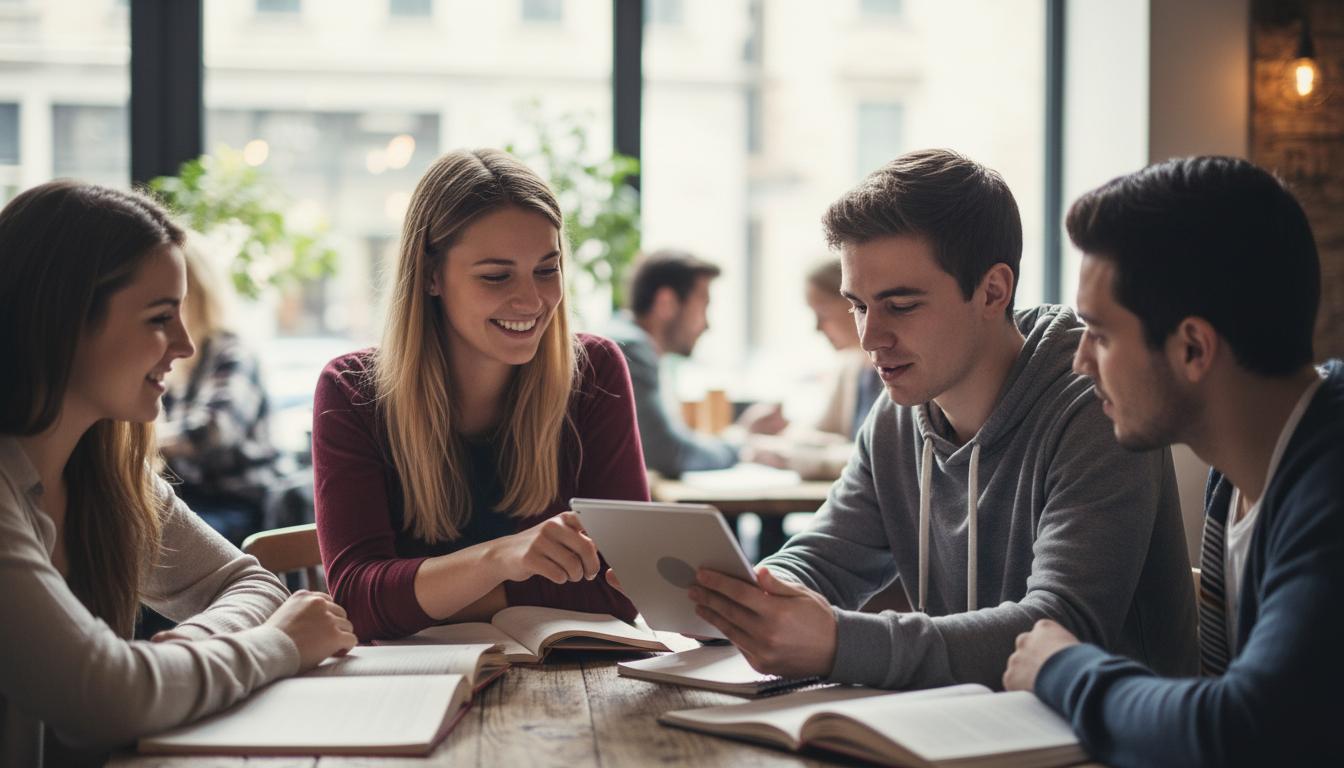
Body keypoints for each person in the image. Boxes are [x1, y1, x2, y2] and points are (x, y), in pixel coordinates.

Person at [686, 149, 1198, 690]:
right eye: (858, 305)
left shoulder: (1097, 407)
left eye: (901, 306)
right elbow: (827, 557)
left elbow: (1060, 626)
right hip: (955, 721)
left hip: (1103, 729)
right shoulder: (897, 414)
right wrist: (743, 601)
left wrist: (838, 642)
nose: (869, 338)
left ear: (993, 291)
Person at [0, 181, 355, 768]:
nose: (186, 345)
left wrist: (193, 643)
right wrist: (279, 645)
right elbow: (105, 697)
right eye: (161, 318)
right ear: (62, 322)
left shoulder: (112, 477)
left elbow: (252, 584)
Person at [1003, 156, 1343, 766]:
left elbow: (1240, 731)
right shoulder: (1237, 475)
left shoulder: (1330, 488)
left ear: (1192, 348)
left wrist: (1062, 667)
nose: (1081, 362)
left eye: (1100, 335)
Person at [313, 149, 644, 642]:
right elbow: (357, 602)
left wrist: (426, 597)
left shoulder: (594, 372)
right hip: (411, 681)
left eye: (547, 269)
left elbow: (627, 584)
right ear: (430, 275)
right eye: (496, 276)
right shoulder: (352, 390)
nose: (532, 301)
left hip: (571, 674)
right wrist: (501, 558)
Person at [605, 249, 787, 477]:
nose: (707, 325)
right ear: (666, 303)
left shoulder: (631, 343)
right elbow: (667, 452)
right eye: (703, 306)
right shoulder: (630, 349)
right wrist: (740, 449)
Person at [158, 233, 282, 544]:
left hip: (239, 502)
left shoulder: (231, 351)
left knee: (161, 544)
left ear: (197, 293)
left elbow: (215, 430)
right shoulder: (178, 360)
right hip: (192, 497)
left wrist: (151, 441)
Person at [746, 258, 884, 479]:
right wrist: (777, 433)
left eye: (822, 314)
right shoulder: (850, 368)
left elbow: (884, 458)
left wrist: (795, 459)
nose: (817, 328)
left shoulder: (898, 371)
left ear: (855, 303)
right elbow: (824, 432)